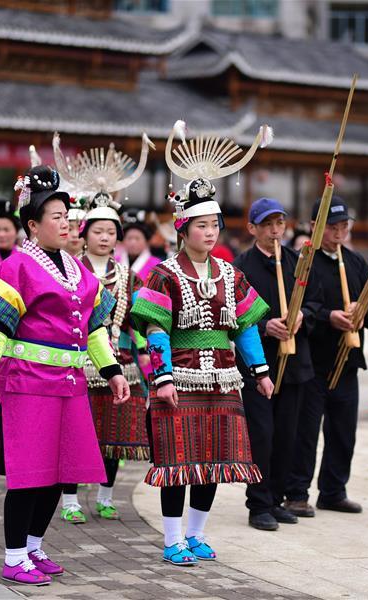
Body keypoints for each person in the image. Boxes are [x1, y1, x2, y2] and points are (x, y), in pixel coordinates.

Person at [0, 165, 130, 586]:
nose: (66, 223)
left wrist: (111, 370)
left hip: (71, 388)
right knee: (31, 473)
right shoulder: (16, 267)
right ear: (33, 225)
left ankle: (35, 546)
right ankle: (14, 555)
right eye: (56, 216)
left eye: (68, 215)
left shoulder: (79, 272)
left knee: (64, 469)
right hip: (28, 386)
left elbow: (93, 329)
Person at [130, 120, 274, 566]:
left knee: (212, 460)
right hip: (180, 378)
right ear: (183, 228)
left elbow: (246, 326)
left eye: (214, 225)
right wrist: (163, 376)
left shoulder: (231, 275)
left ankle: (196, 534)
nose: (210, 233)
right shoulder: (163, 274)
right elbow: (155, 330)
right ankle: (171, 538)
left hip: (224, 380)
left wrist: (261, 371)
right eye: (201, 225)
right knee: (178, 460)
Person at [52, 134, 152, 524]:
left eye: (111, 232)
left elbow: (139, 324)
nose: (105, 237)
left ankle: (107, 496)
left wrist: (152, 362)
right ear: (85, 233)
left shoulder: (127, 276)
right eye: (98, 231)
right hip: (77, 362)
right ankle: (70, 500)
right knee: (77, 434)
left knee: (115, 438)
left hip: (120, 363)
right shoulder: (69, 272)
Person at [284, 196, 368, 517]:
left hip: (347, 362)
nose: (339, 232)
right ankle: (297, 492)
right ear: (315, 227)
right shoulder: (302, 261)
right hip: (312, 361)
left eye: (344, 226)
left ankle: (334, 490)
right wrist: (328, 316)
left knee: (344, 430)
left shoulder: (354, 262)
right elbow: (294, 306)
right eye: (332, 227)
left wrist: (361, 311)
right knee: (305, 430)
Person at [234, 198, 322, 531]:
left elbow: (315, 301)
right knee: (263, 434)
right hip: (259, 366)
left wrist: (302, 315)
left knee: (289, 434)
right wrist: (264, 325)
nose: (274, 231)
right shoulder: (242, 267)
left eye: (279, 223)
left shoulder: (298, 263)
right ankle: (258, 504)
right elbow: (234, 314)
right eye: (267, 224)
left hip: (296, 362)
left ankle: (277, 498)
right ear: (252, 228)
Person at [119, 208, 162, 280]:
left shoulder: (156, 264)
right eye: (129, 238)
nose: (133, 242)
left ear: (146, 242)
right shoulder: (115, 261)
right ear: (123, 240)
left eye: (137, 238)